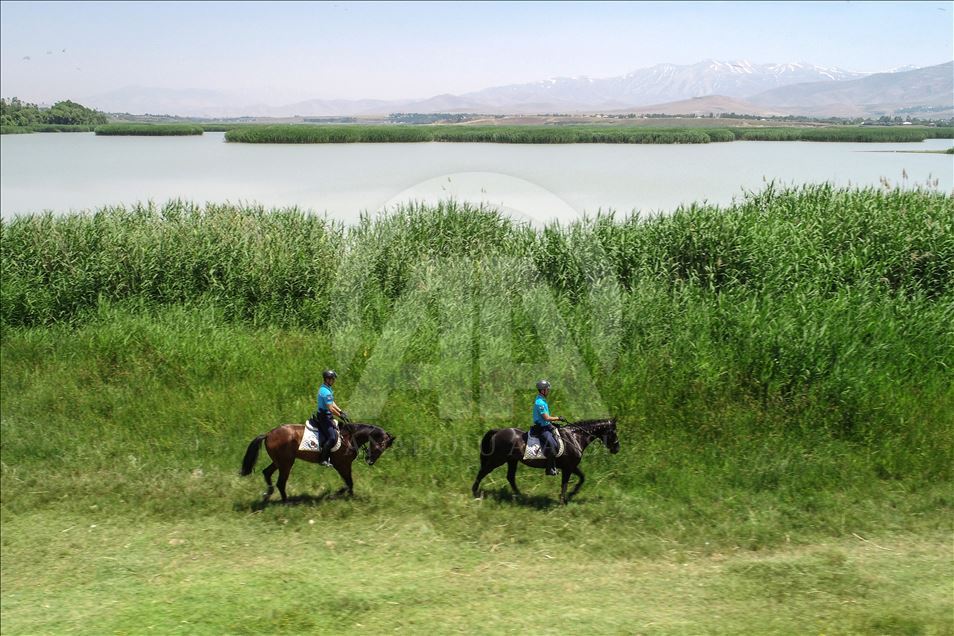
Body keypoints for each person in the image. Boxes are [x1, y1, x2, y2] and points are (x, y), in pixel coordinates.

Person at [313, 369, 350, 466]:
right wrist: (340, 416)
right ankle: (323, 459)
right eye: (333, 379)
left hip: (327, 416)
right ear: (327, 379)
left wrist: (341, 411)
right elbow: (330, 408)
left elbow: (332, 403)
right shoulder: (325, 392)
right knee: (332, 437)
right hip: (324, 417)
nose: (334, 381)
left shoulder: (325, 389)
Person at [531, 379, 566, 476]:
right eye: (547, 389)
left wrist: (552, 423)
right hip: (542, 429)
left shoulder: (542, 400)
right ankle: (549, 469)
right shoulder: (540, 403)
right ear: (543, 390)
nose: (548, 391)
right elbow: (546, 417)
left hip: (547, 425)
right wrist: (558, 418)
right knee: (553, 445)